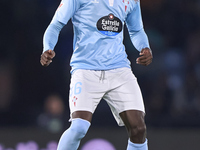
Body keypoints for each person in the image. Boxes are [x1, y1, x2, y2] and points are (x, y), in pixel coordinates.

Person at [40, 0, 153, 150]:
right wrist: (48, 48)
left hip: (119, 69)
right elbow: (56, 25)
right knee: (79, 127)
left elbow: (136, 30)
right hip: (86, 70)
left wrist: (145, 47)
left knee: (138, 129)